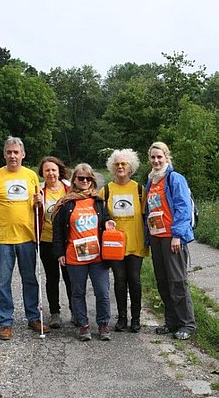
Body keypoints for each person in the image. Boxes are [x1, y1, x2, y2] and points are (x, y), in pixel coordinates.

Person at [0, 136, 50, 340]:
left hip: (27, 237)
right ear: (4, 154)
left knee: (30, 279)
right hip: (3, 238)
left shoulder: (30, 176)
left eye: (16, 152)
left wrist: (40, 201)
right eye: (9, 152)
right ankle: (5, 322)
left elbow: (38, 207)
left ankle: (33, 318)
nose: (12, 156)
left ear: (23, 155)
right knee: (3, 281)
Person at [52, 163, 115, 341]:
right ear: (74, 180)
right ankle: (83, 324)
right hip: (74, 256)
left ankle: (103, 324)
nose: (85, 181)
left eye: (88, 178)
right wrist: (59, 253)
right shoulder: (66, 203)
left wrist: (108, 223)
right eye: (81, 178)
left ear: (93, 181)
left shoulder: (98, 201)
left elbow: (106, 220)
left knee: (102, 291)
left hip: (98, 256)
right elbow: (58, 231)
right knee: (77, 292)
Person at [146, 141, 196, 340]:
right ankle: (171, 321)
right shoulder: (151, 181)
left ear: (167, 157)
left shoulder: (174, 178)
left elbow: (183, 208)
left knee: (177, 282)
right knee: (163, 282)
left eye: (160, 156)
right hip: (157, 238)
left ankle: (187, 324)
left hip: (172, 238)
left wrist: (177, 235)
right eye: (153, 157)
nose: (156, 160)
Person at [99, 149, 149, 333]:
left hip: (135, 242)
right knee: (119, 280)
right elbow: (100, 216)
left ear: (131, 168)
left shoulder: (139, 189)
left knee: (134, 280)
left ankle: (136, 319)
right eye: (117, 164)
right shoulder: (105, 191)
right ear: (112, 167)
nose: (120, 167)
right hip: (115, 245)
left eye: (124, 164)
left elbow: (146, 216)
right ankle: (121, 318)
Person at [35, 156, 73, 328]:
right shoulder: (39, 191)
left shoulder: (69, 189)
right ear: (42, 173)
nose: (50, 173)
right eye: (47, 170)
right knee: (52, 278)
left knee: (70, 277)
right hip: (46, 240)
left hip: (67, 240)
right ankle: (55, 313)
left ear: (59, 171)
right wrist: (34, 203)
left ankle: (75, 311)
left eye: (53, 170)